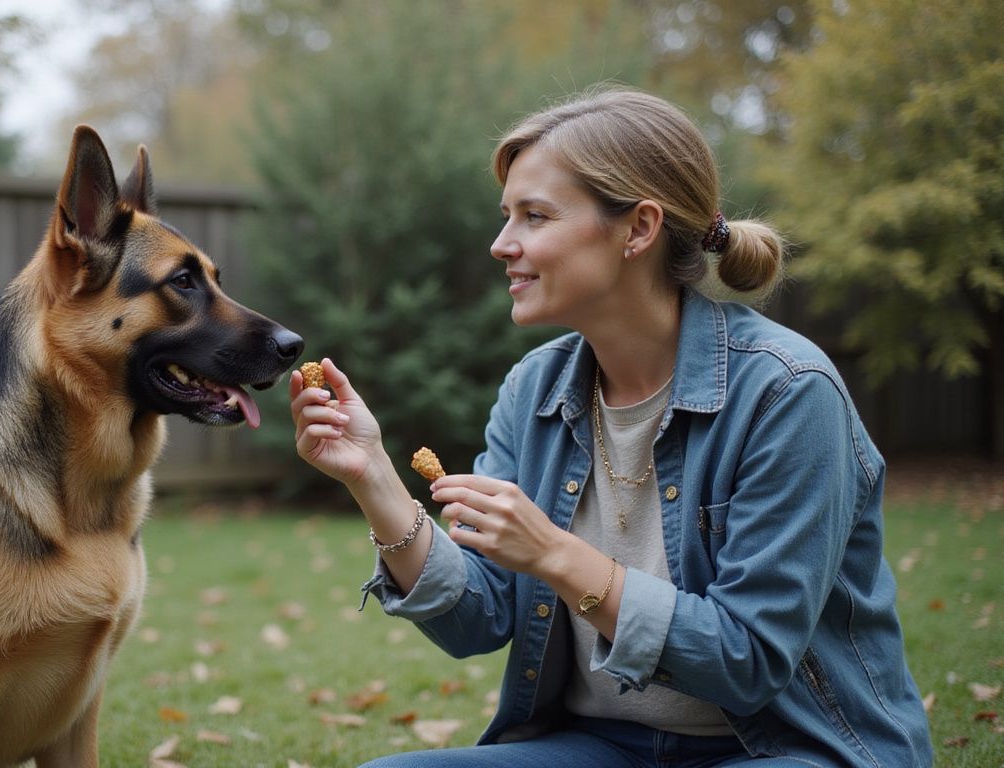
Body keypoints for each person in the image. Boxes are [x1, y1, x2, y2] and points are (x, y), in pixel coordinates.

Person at [288, 88, 932, 767]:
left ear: (639, 228)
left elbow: (749, 661)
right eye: (507, 216)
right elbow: (479, 620)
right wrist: (374, 478)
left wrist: (557, 555)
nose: (502, 244)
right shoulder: (534, 388)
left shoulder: (786, 392)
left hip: (790, 749)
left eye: (533, 216)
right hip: (597, 747)